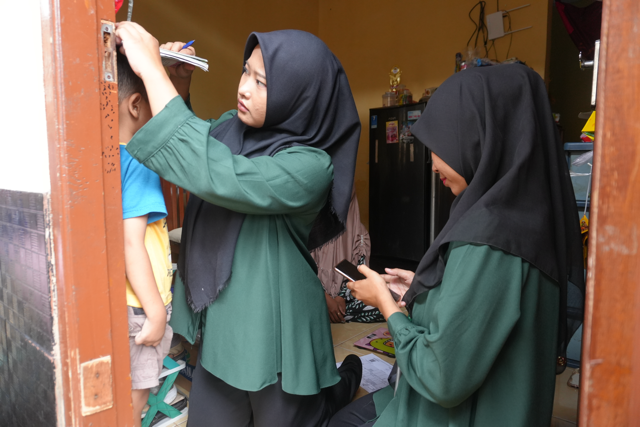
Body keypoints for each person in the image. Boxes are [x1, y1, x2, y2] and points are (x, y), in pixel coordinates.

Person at [115, 22, 363, 426]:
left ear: (299, 96)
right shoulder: (233, 126)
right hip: (223, 324)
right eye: (246, 71)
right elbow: (197, 148)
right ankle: (343, 380)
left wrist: (153, 72)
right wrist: (177, 82)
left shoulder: (310, 165)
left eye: (262, 82)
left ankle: (347, 377)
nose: (244, 88)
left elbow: (215, 171)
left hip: (276, 333)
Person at [328, 64, 585, 426]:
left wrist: (386, 304)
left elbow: (441, 376)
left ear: (483, 137)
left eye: (441, 145)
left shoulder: (489, 238)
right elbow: (487, 309)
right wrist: (427, 289)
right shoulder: (528, 219)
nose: (433, 165)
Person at [117, 49, 175, 427]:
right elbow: (131, 241)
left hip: (126, 302)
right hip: (141, 308)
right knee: (134, 399)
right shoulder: (139, 160)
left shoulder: (108, 158)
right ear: (137, 105)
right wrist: (156, 312)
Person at [311, 186, 384, 324]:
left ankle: (334, 313)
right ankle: (328, 311)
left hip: (347, 298)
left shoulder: (358, 232)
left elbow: (359, 271)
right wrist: (326, 299)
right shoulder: (306, 228)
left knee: (384, 304)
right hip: (313, 296)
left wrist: (341, 298)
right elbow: (301, 271)